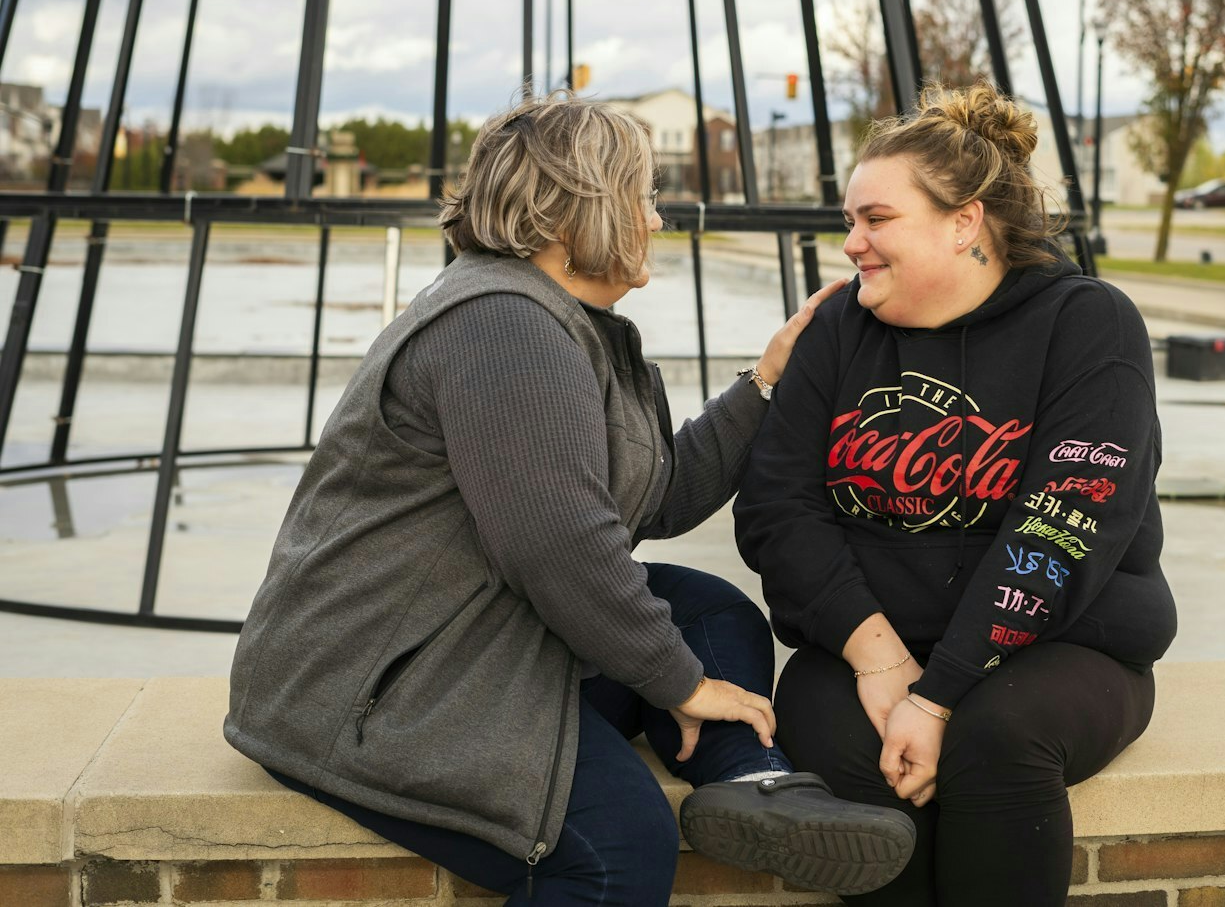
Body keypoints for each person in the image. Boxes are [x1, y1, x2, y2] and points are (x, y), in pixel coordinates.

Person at [224, 93, 915, 907]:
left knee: (711, 613)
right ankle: (731, 763)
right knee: (617, 848)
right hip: (379, 684)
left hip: (478, 632)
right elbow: (560, 548)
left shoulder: (562, 320)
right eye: (644, 197)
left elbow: (653, 498)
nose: (657, 221)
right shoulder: (501, 325)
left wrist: (765, 382)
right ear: (575, 207)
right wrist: (679, 685)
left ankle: (755, 783)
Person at [734, 81, 1178, 905]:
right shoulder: (840, 327)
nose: (852, 244)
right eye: (849, 222)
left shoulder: (1089, 324)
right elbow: (774, 506)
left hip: (1060, 649)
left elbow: (1062, 527)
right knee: (851, 748)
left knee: (997, 739)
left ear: (964, 220)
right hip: (867, 649)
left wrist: (938, 695)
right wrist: (880, 658)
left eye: (876, 219)